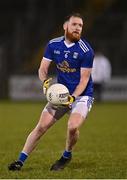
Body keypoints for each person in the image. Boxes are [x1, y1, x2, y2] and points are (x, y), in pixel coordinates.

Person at [8, 13, 94, 171]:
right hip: (61, 95)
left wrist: (73, 97)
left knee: (72, 127)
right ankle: (20, 161)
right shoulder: (53, 45)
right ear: (65, 26)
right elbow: (42, 69)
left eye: (80, 26)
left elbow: (84, 80)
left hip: (82, 95)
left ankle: (66, 156)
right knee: (41, 127)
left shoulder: (86, 50)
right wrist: (45, 81)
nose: (78, 28)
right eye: (74, 24)